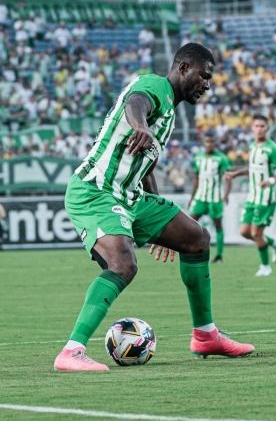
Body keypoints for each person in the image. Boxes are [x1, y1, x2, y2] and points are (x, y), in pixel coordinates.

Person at [53, 43, 254, 372]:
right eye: (204, 76)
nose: (207, 84)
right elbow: (136, 104)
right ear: (184, 68)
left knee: (196, 238)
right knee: (123, 264)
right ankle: (71, 351)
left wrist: (160, 222)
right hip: (95, 191)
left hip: (130, 195)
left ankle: (205, 335)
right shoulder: (155, 85)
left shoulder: (171, 114)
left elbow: (145, 166)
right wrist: (140, 126)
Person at [225, 115, 276, 277]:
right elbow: (251, 168)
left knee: (256, 233)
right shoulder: (252, 146)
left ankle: (266, 267)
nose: (259, 129)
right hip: (252, 196)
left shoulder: (272, 148)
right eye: (256, 126)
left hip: (266, 197)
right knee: (244, 231)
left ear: (267, 129)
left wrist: (271, 180)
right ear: (252, 129)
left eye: (262, 126)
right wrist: (235, 174)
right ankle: (275, 243)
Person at [188, 133, 232, 264]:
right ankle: (190, 251)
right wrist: (192, 197)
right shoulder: (198, 158)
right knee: (190, 223)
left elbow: (228, 177)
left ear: (215, 143)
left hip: (215, 198)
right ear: (203, 143)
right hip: (200, 197)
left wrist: (226, 194)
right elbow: (196, 178)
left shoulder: (221, 158)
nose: (209, 144)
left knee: (218, 225)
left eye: (212, 142)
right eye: (207, 141)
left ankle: (219, 255)